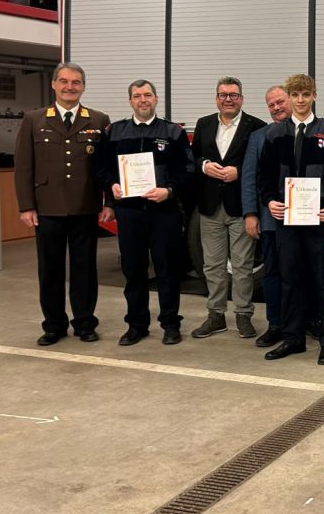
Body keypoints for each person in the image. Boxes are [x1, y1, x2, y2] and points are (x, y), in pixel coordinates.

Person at [15, 62, 111, 346]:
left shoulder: (98, 119)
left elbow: (107, 167)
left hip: (85, 206)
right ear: (54, 84)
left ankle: (85, 323)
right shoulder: (34, 119)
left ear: (84, 87)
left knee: (85, 269)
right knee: (50, 270)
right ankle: (54, 325)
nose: (70, 87)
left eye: (76, 82)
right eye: (65, 81)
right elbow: (24, 167)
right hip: (47, 208)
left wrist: (109, 202)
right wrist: (26, 206)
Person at [259, 74, 324, 364]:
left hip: (319, 222)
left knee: (323, 281)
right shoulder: (275, 134)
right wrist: (270, 201)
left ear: (314, 96)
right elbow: (264, 177)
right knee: (290, 280)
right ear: (289, 98)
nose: (300, 100)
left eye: (306, 94)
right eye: (295, 95)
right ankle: (293, 338)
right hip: (287, 222)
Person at [98, 80, 194, 346]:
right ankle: (137, 325)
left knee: (168, 270)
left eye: (148, 95)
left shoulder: (173, 131)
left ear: (156, 99)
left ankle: (171, 324)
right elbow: (102, 168)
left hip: (164, 212)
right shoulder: (114, 132)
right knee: (133, 270)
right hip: (129, 213)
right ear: (130, 101)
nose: (143, 100)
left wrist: (169, 190)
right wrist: (112, 185)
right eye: (137, 96)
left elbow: (187, 170)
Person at [190, 78, 266, 340]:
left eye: (233, 95)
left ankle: (243, 315)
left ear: (241, 99)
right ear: (216, 99)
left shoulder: (256, 126)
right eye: (223, 95)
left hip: (241, 206)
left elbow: (262, 164)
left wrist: (240, 171)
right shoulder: (204, 124)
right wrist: (204, 166)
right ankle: (216, 315)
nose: (228, 100)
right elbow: (192, 157)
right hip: (210, 207)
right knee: (212, 265)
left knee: (243, 265)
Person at [241, 85, 292, 347]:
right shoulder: (258, 137)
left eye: (280, 101)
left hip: (304, 219)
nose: (276, 107)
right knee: (273, 274)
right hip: (271, 220)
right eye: (271, 104)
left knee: (303, 274)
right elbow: (250, 178)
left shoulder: (309, 131)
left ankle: (306, 321)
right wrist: (251, 213)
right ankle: (276, 325)